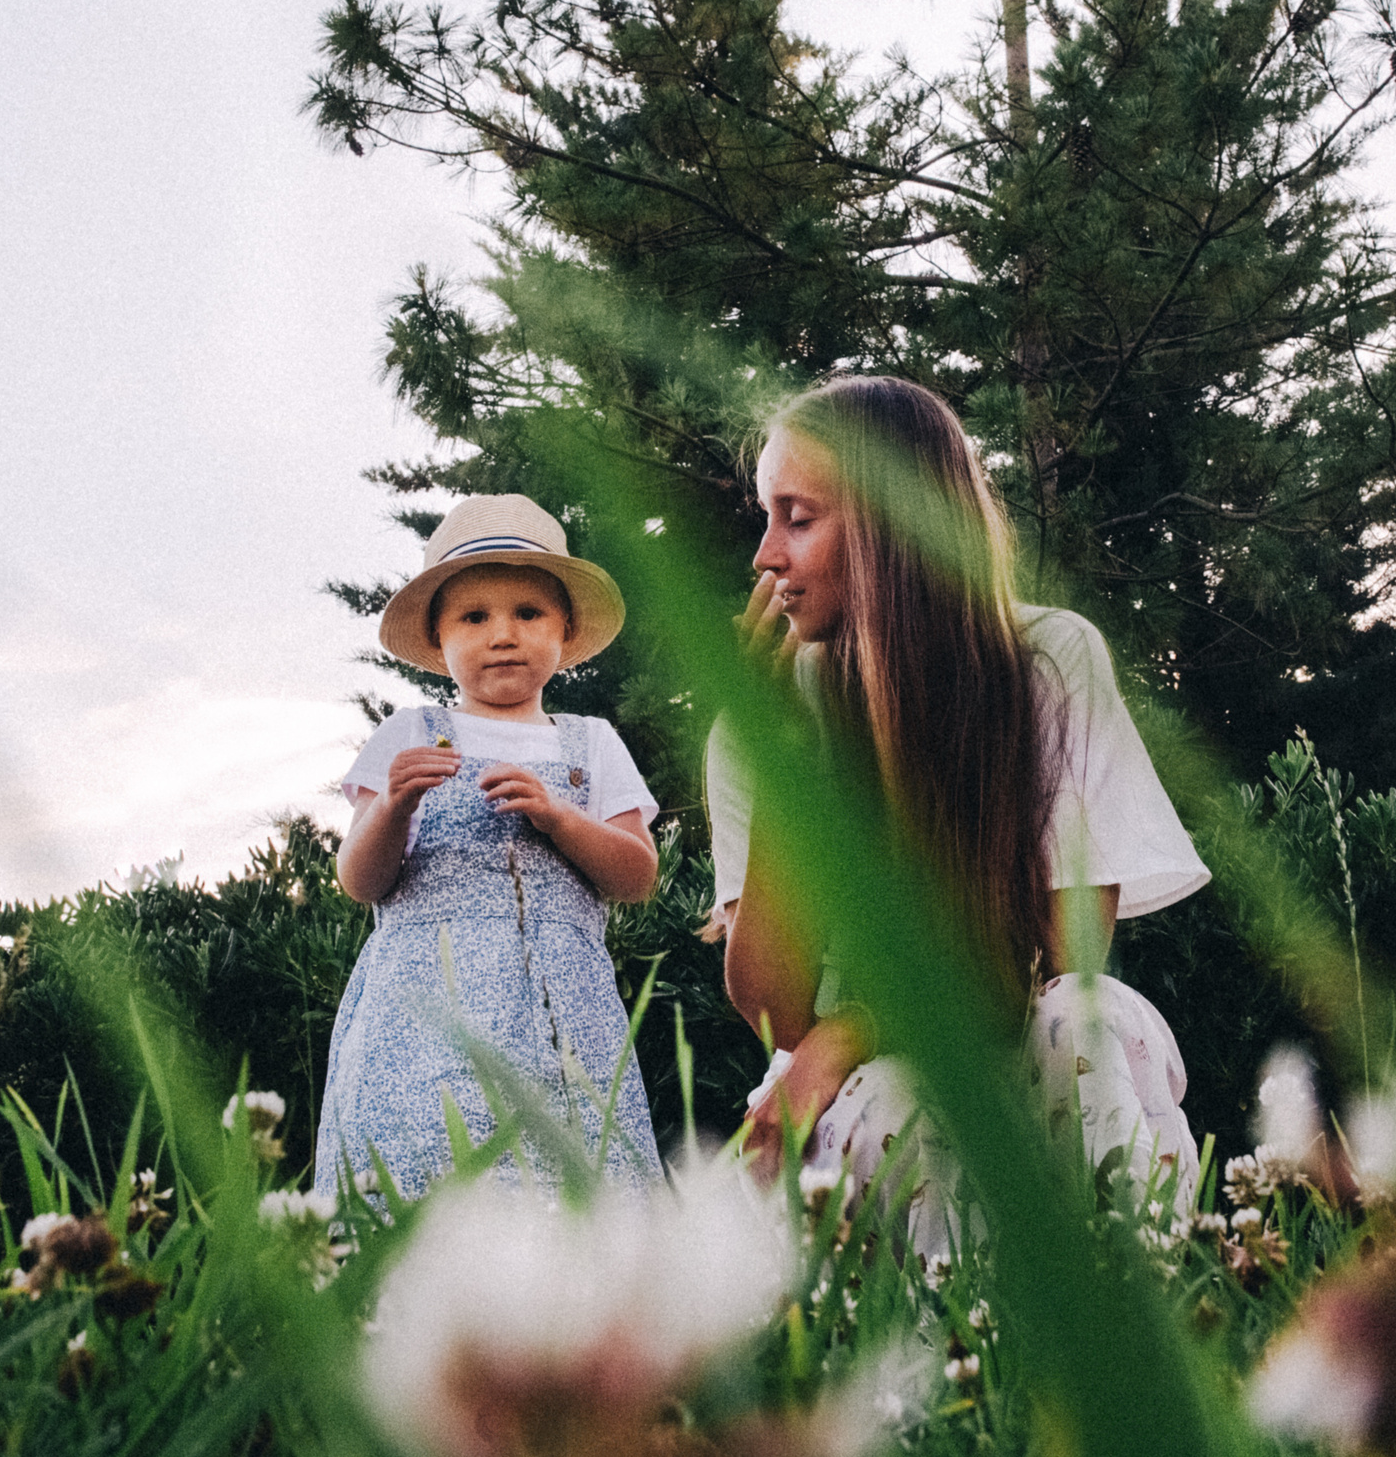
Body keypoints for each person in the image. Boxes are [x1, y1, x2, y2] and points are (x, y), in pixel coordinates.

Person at [707, 376, 1209, 1241]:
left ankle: (1144, 1303)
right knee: (907, 1111)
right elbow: (777, 1011)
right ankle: (962, 1357)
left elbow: (1067, 954)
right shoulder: (767, 713)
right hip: (874, 1079)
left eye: (798, 516)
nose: (765, 556)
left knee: (1088, 1021)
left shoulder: (1047, 663)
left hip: (1031, 1046)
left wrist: (846, 1030)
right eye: (766, 516)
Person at [315, 494, 665, 1199]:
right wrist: (394, 805)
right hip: (423, 1019)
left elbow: (637, 873)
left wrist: (559, 818)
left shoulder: (588, 742)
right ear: (438, 638)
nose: (502, 633)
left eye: (527, 614)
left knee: (571, 1185)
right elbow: (360, 878)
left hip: (560, 1011)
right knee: (424, 1182)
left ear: (563, 629)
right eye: (474, 617)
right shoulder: (411, 732)